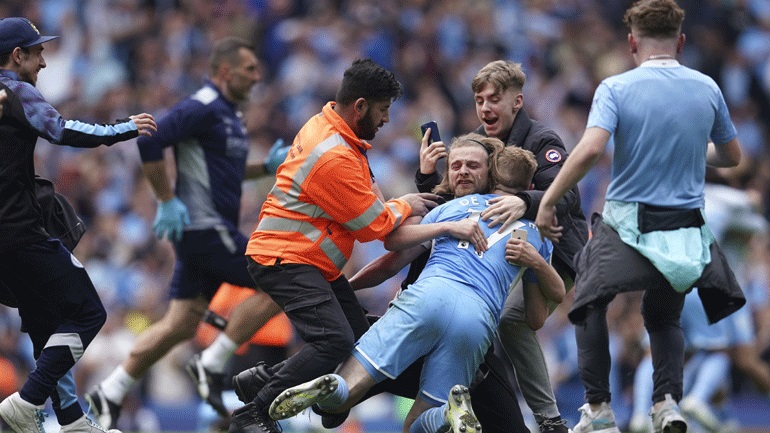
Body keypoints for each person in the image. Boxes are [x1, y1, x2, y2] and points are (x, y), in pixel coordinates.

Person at [534, 1, 744, 432]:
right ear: (681, 42)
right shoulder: (707, 87)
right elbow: (732, 157)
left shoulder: (616, 88)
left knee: (588, 302)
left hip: (629, 225)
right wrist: (689, 150)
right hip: (684, 231)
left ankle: (599, 410)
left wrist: (549, 198)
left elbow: (591, 149)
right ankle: (666, 404)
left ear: (632, 43)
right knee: (664, 317)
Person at [267, 138, 566, 433]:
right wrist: (538, 264)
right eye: (456, 165)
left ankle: (333, 388)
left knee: (344, 392)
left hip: (426, 299)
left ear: (492, 174)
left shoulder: (453, 209)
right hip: (476, 322)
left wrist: (345, 287)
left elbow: (391, 252)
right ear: (528, 189)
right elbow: (536, 318)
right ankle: (446, 413)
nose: (462, 172)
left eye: (472, 166)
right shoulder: (536, 236)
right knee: (417, 425)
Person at [227, 58, 440, 433]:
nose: (387, 119)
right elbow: (372, 226)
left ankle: (263, 380)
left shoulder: (332, 130)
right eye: (383, 110)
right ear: (360, 106)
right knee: (333, 341)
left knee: (359, 341)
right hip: (286, 257)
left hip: (304, 258)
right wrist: (407, 202)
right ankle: (254, 413)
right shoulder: (334, 155)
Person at [85, 37, 286, 429]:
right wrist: (164, 199)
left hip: (206, 231)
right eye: (250, 69)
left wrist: (265, 167)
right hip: (204, 227)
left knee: (182, 322)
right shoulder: (203, 106)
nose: (257, 75)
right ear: (225, 72)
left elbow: (224, 168)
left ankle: (110, 390)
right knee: (281, 278)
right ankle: (211, 362)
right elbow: (151, 138)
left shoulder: (230, 115)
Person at [0, 16, 157, 433]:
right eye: (37, 53)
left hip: (5, 240)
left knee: (45, 328)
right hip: (21, 234)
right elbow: (61, 128)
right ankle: (28, 400)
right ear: (17, 56)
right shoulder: (15, 91)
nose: (44, 63)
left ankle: (71, 421)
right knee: (88, 313)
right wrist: (122, 128)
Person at [416, 59, 587, 433]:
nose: (486, 108)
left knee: (512, 318)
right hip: (501, 255)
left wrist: (524, 201)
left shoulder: (543, 140)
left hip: (556, 252)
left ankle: (549, 419)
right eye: (479, 100)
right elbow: (453, 203)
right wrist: (425, 176)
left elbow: (569, 195)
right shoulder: (477, 142)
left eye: (495, 99)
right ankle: (470, 395)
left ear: (518, 102)